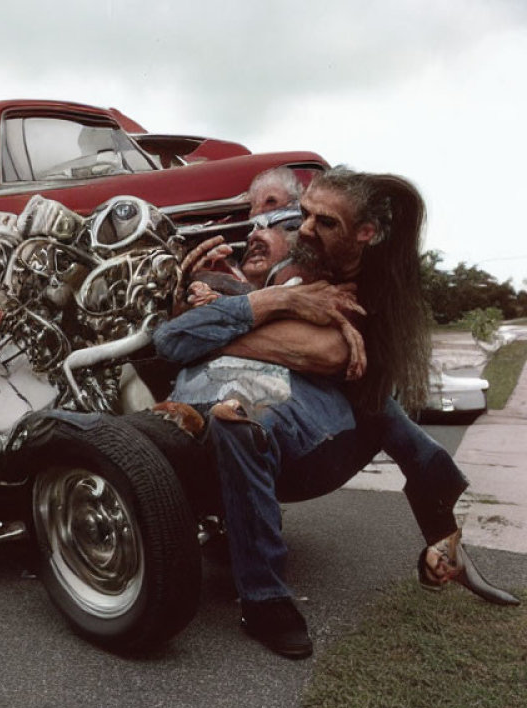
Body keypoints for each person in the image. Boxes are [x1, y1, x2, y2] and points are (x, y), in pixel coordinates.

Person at [153, 166, 519, 659]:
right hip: (276, 401)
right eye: (304, 214)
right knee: (235, 412)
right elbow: (174, 338)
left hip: (323, 425)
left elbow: (324, 355)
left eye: (325, 222)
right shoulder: (298, 270)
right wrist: (280, 300)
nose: (303, 228)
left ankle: (265, 601)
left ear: (365, 234)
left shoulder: (366, 293)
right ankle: (442, 542)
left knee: (247, 422)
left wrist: (223, 328)